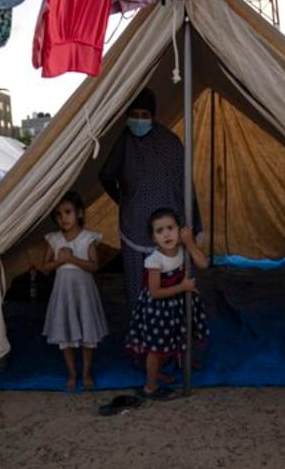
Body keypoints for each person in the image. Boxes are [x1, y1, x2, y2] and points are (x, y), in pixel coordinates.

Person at [99, 87, 203, 310]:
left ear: (153, 116)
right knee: (138, 288)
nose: (138, 120)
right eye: (134, 115)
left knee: (169, 285)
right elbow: (106, 175)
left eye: (144, 115)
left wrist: (191, 222)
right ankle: (142, 333)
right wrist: (123, 200)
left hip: (167, 231)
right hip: (134, 227)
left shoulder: (170, 143)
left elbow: (185, 185)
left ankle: (169, 332)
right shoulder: (124, 143)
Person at [125, 208, 209, 400]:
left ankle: (161, 371)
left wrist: (190, 243)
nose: (166, 234)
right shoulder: (154, 260)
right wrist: (183, 287)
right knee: (156, 349)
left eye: (170, 228)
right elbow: (155, 293)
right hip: (158, 310)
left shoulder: (183, 250)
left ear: (179, 231)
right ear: (154, 238)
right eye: (159, 231)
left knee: (173, 338)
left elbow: (203, 264)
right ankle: (150, 386)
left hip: (176, 306)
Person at [40, 191, 109, 391]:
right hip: (63, 294)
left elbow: (94, 266)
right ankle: (72, 372)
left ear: (79, 213)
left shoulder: (88, 238)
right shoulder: (53, 239)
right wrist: (59, 261)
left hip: (84, 294)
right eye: (58, 214)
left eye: (68, 212)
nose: (64, 218)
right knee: (65, 332)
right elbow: (45, 266)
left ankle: (86, 371)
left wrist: (71, 259)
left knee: (88, 332)